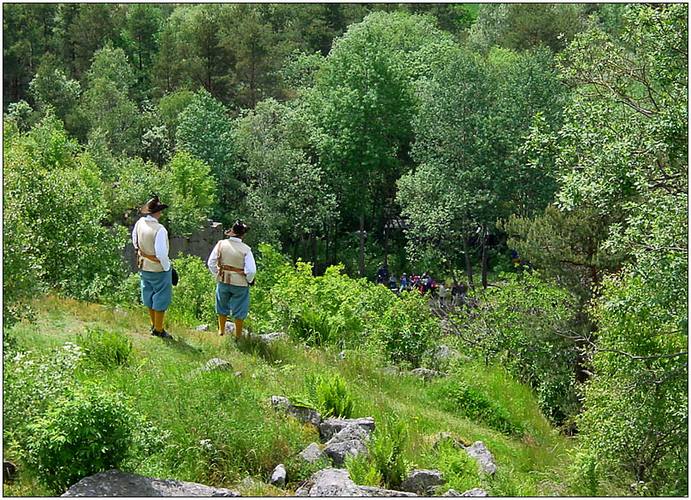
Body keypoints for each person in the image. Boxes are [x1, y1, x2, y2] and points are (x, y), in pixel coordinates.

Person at [132, 195, 173, 339]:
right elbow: (161, 253)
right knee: (161, 297)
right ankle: (159, 329)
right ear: (157, 212)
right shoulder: (160, 229)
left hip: (143, 265)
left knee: (148, 294)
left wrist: (142, 253)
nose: (161, 214)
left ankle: (153, 324)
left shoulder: (140, 223)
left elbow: (135, 241)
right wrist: (168, 267)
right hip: (158, 268)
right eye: (160, 211)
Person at [207, 220, 256, 340]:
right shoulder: (246, 250)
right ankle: (238, 335)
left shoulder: (220, 244)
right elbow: (251, 271)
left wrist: (217, 274)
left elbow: (211, 263)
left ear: (231, 233)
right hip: (240, 283)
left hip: (223, 280)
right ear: (243, 235)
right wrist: (249, 280)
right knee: (240, 308)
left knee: (221, 305)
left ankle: (221, 331)